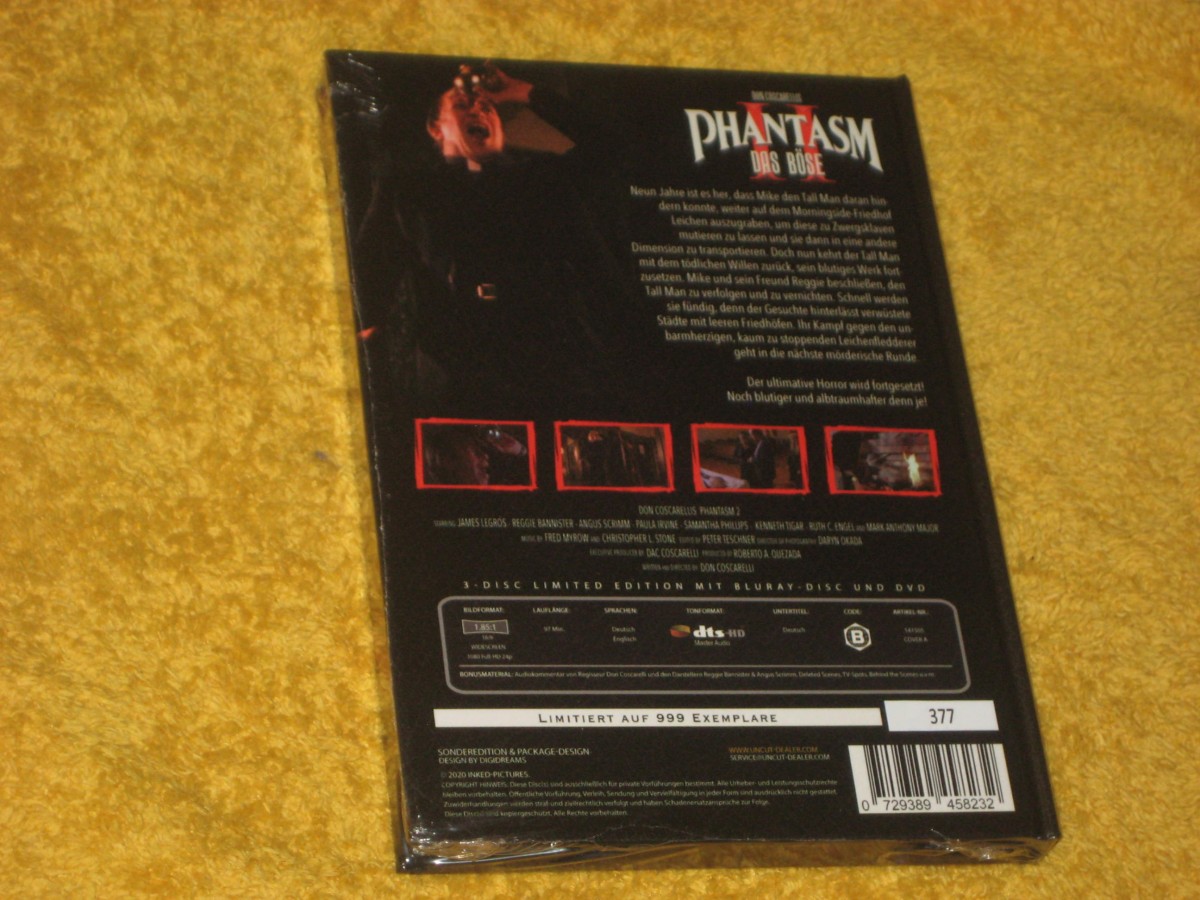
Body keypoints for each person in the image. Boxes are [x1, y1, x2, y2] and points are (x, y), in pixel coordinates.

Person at [385, 62, 645, 410]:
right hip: (467, 368)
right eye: (462, 105)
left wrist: (523, 92)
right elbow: (377, 265)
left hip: (558, 361)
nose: (478, 111)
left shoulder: (541, 177)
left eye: (487, 107)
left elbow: (611, 146)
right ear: (436, 127)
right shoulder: (411, 190)